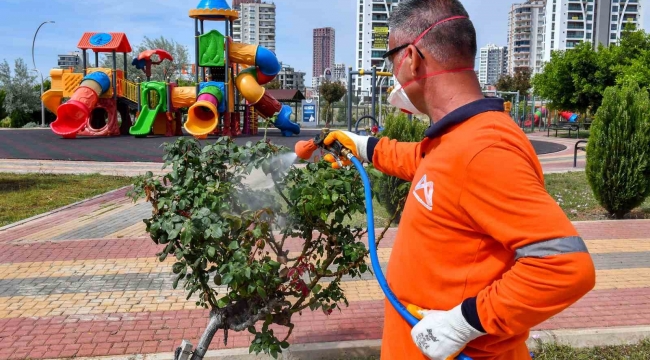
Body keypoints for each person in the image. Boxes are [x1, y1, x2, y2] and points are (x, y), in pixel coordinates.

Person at [321, 1, 596, 359]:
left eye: (390, 61)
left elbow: (565, 267)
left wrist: (464, 322)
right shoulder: (456, 140)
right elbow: (422, 162)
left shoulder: (483, 150)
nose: (394, 75)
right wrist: (361, 145)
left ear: (412, 58)